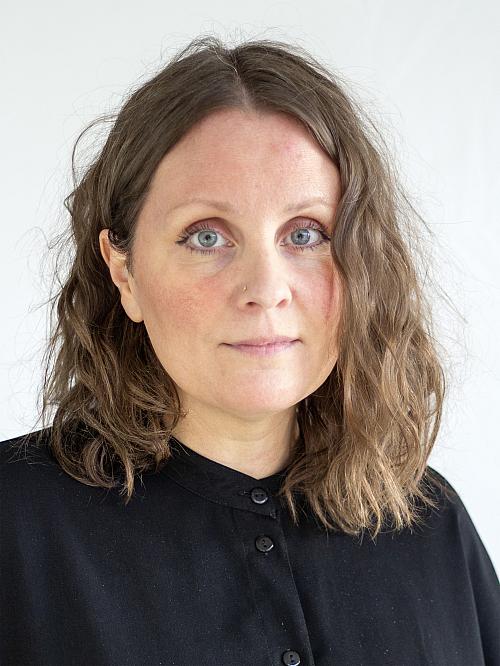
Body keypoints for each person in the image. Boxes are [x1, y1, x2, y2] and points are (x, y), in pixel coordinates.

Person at [1, 35, 499, 666]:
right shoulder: (14, 525)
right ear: (123, 271)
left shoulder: (429, 521)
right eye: (206, 236)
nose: (266, 289)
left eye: (306, 234)